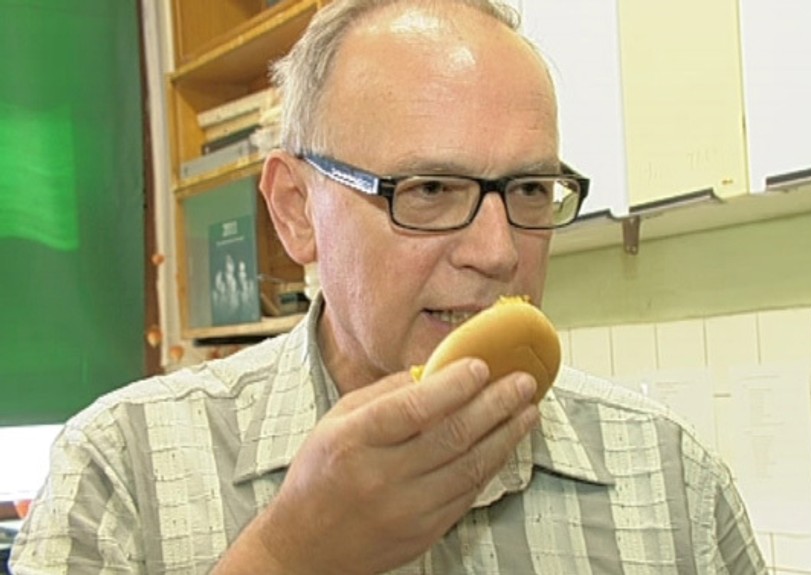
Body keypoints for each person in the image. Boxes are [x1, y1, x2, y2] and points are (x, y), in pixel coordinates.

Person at [10, 0, 767, 573]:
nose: (499, 252)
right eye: (430, 188)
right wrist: (288, 555)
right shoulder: (121, 472)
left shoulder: (673, 479)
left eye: (531, 190)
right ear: (296, 210)